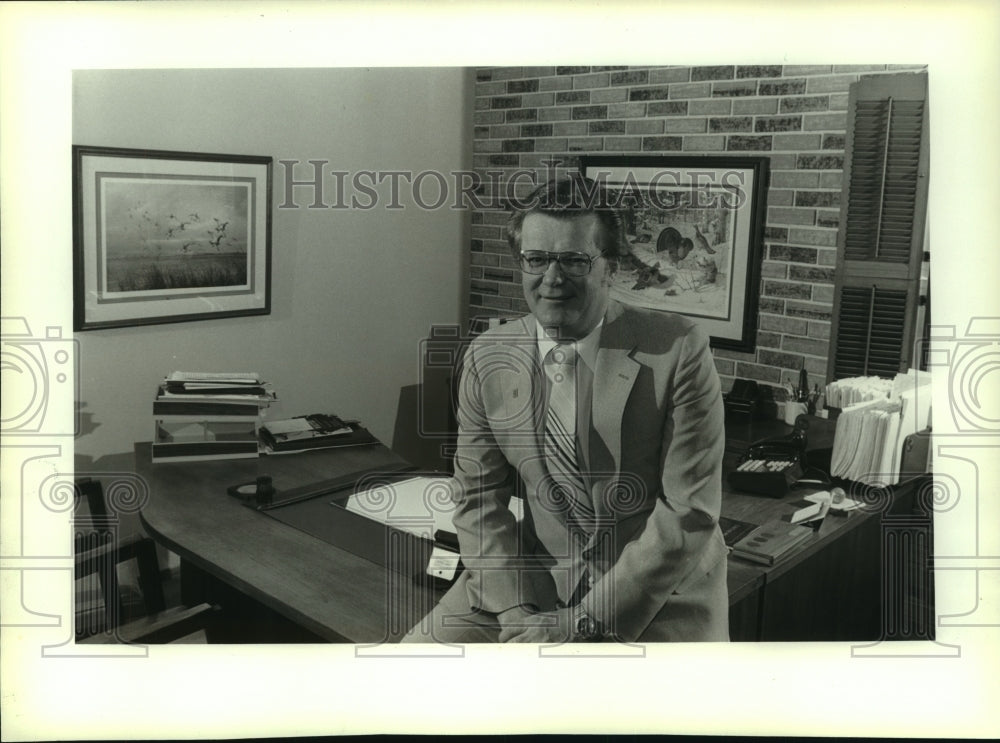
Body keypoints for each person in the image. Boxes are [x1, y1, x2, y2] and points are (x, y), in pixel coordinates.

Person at [403, 177, 728, 643]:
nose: (552, 279)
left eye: (574, 261)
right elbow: (478, 500)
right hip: (533, 578)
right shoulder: (486, 355)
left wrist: (581, 622)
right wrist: (515, 612)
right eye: (536, 259)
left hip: (657, 592)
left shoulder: (679, 348)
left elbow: (688, 512)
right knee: (403, 677)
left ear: (609, 268)